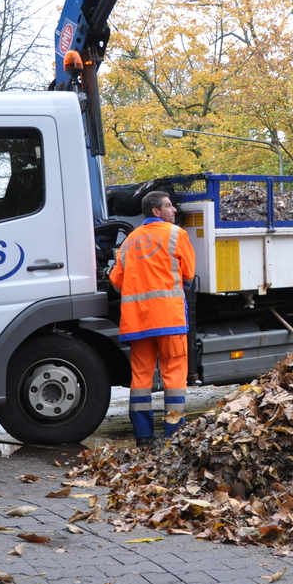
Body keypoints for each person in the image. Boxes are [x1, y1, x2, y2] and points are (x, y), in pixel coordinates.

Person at [108, 190, 196, 448]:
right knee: (175, 375)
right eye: (169, 206)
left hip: (137, 322)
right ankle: (173, 434)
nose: (174, 210)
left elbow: (116, 281)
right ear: (156, 211)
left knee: (141, 379)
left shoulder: (130, 240)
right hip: (169, 318)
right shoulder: (175, 234)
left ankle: (144, 437)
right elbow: (188, 274)